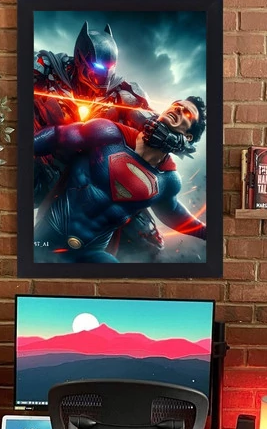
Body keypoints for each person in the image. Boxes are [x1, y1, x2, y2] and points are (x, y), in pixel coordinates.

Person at [32, 22, 195, 260]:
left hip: (96, 176)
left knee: (147, 242)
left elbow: (150, 123)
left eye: (109, 71)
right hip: (43, 164)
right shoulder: (47, 68)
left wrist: (173, 137)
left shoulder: (123, 93)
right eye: (96, 70)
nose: (102, 79)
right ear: (80, 59)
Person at [33, 98, 207, 264]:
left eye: (187, 113)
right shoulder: (107, 133)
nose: (178, 109)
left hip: (91, 252)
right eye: (176, 105)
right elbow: (56, 136)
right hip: (48, 235)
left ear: (188, 137)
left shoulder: (167, 180)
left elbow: (174, 215)